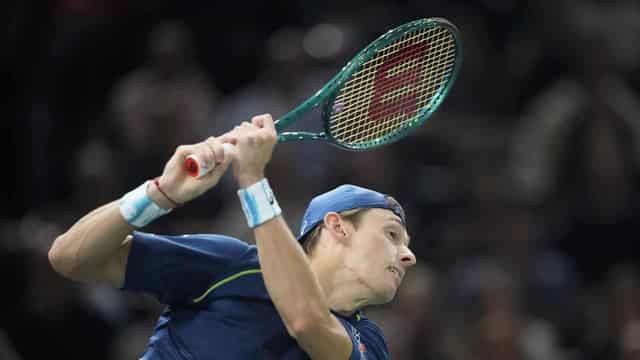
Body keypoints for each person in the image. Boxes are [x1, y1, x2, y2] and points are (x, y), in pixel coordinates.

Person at [48, 114, 417, 359]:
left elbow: (306, 321)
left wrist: (253, 181)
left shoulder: (368, 344)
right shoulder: (230, 266)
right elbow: (70, 257)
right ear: (337, 226)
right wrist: (159, 194)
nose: (407, 256)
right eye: (392, 234)